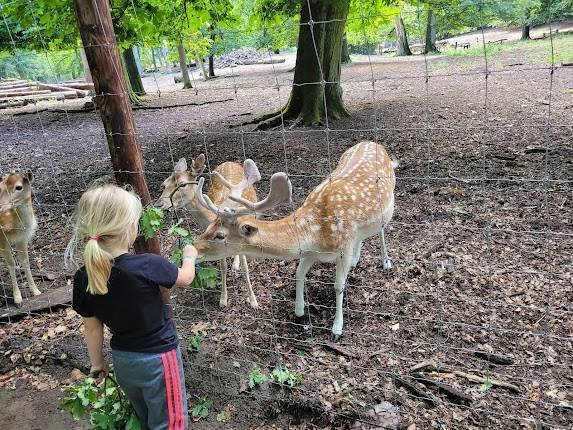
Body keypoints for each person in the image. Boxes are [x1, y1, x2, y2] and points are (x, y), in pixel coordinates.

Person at [65, 184, 196, 430]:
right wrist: (189, 255)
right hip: (159, 359)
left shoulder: (84, 276)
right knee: (170, 423)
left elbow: (92, 329)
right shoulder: (148, 264)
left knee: (146, 418)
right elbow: (186, 278)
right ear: (130, 229)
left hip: (124, 362)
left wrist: (97, 363)